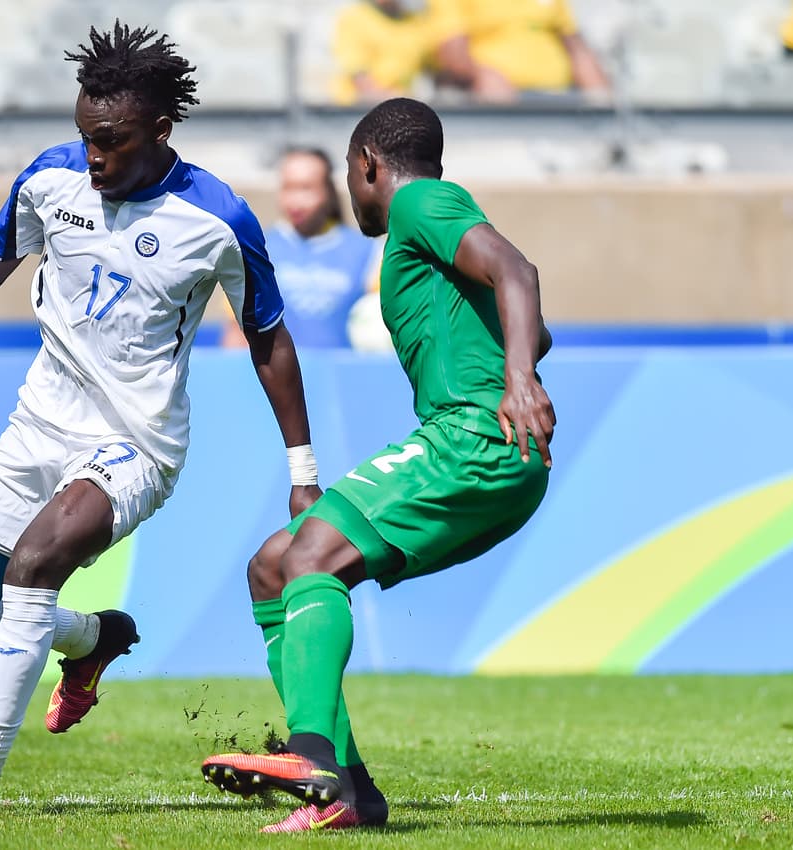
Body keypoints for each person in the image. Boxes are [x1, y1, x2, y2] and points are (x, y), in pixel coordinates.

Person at [0, 21, 321, 821]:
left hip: (134, 447)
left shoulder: (216, 219)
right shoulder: (52, 179)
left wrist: (302, 473)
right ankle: (89, 638)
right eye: (84, 136)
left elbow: (270, 339)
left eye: (110, 140)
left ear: (160, 130)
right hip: (35, 430)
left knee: (33, 564)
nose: (94, 155)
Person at [200, 97, 556, 833]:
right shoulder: (433, 224)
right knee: (275, 566)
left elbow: (518, 272)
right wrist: (512, 360)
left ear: (365, 165)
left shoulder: (422, 201)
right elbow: (535, 326)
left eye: (348, 174)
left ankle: (309, 753)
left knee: (314, 556)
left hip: (471, 440)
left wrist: (513, 382)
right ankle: (350, 798)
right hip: (491, 450)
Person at [223, 147, 386, 350]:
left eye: (306, 188)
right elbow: (235, 333)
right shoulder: (256, 249)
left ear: (329, 191)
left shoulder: (370, 252)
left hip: (344, 379)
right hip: (281, 380)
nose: (296, 200)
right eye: (288, 188)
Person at [431, 0, 609, 103]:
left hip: (557, 101)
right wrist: (480, 75)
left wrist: (601, 99)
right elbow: (451, 51)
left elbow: (575, 47)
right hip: (498, 105)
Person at [329, 0, 450, 105]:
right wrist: (396, 99)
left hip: (399, 111)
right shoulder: (354, 18)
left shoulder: (416, 22)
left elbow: (436, 68)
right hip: (358, 111)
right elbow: (361, 80)